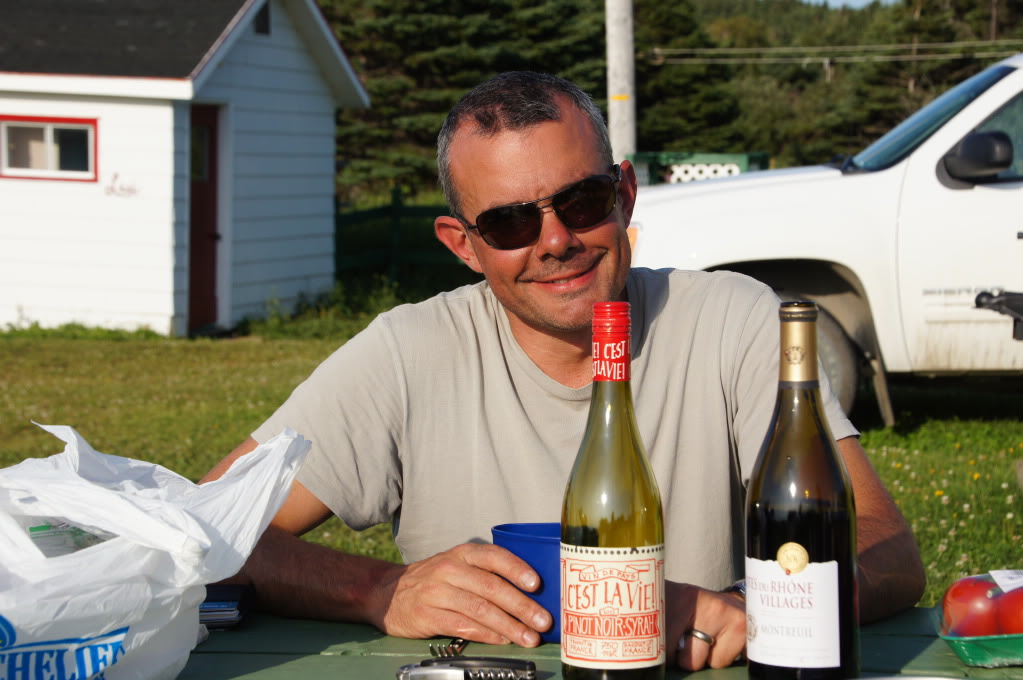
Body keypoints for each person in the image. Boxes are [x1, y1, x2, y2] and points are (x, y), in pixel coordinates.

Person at [201, 71, 926, 671]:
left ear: (625, 196)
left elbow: (884, 544)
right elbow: (194, 534)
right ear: (462, 245)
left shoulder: (733, 321)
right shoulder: (404, 353)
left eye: (581, 202)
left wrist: (751, 604)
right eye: (511, 223)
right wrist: (376, 589)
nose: (555, 241)